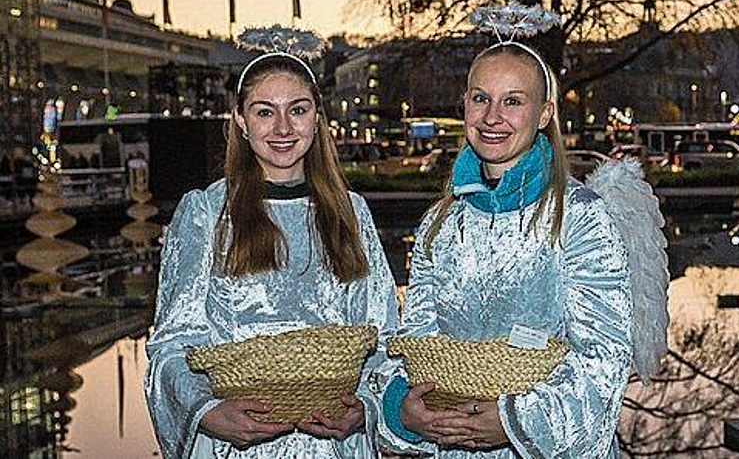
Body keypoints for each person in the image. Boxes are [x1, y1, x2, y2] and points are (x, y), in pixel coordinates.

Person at [376, 38, 668, 457]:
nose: (493, 117)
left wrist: (515, 422)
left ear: (544, 112)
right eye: (481, 98)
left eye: (513, 101)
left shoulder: (581, 216)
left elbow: (603, 359)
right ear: (465, 106)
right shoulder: (439, 224)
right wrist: (405, 411)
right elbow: (417, 344)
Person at [145, 43, 399, 458]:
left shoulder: (351, 213)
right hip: (238, 447)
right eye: (265, 111)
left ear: (317, 119)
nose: (282, 127)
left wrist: (366, 408)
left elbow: (382, 334)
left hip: (333, 446)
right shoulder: (206, 213)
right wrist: (206, 411)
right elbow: (172, 343)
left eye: (297, 110)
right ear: (241, 122)